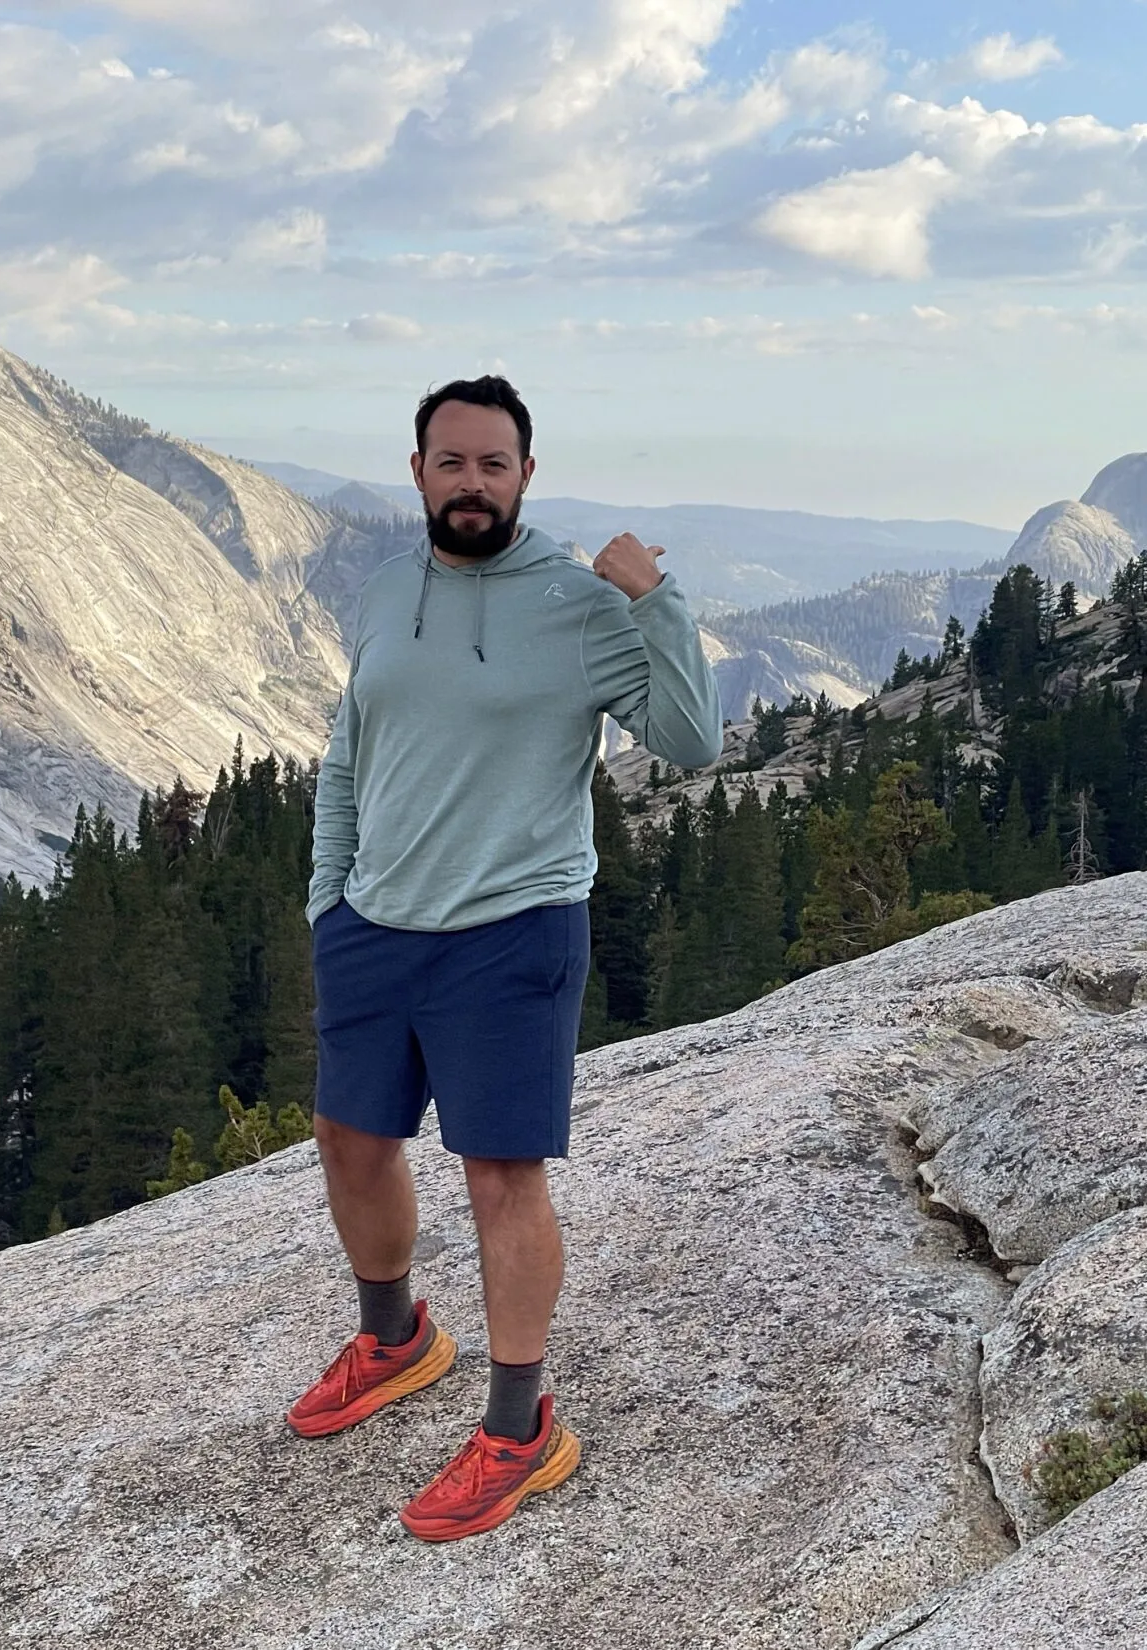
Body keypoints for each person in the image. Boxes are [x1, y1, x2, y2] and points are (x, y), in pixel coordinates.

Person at [285, 375, 722, 1541]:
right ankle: (394, 1341)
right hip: (376, 926)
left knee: (499, 1177)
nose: (470, 483)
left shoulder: (580, 609)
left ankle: (521, 1429)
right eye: (450, 462)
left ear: (526, 475)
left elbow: (691, 743)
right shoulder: (385, 593)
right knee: (350, 1139)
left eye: (493, 464)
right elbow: (347, 756)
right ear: (417, 472)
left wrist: (657, 605)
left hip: (512, 931)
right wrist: (331, 901)